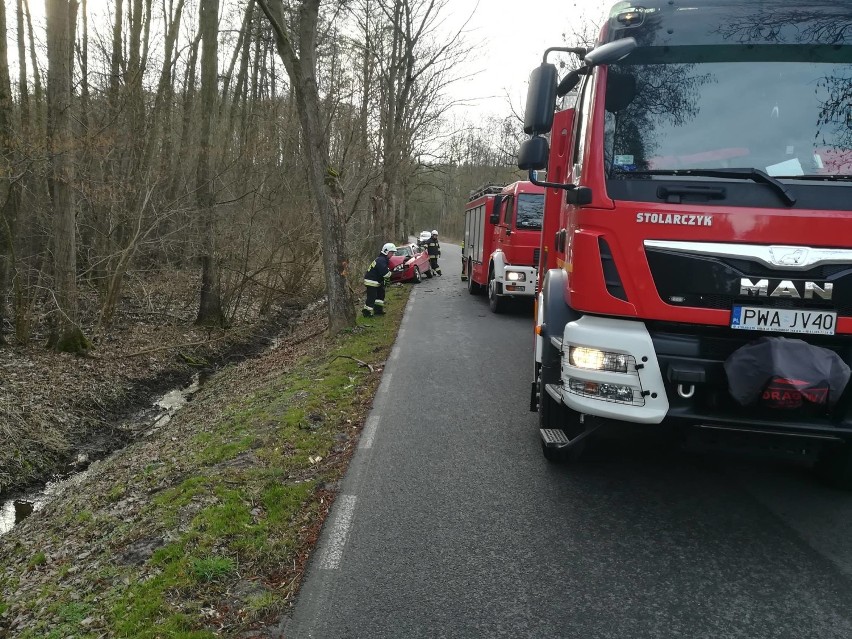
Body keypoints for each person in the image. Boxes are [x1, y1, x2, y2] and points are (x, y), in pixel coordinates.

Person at [363, 242, 396, 317]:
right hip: (371, 281)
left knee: (381, 295)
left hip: (376, 281)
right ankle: (367, 312)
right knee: (372, 297)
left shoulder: (383, 259)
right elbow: (385, 274)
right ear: (386, 251)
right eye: (391, 253)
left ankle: (378, 310)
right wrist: (393, 274)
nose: (392, 255)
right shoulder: (381, 260)